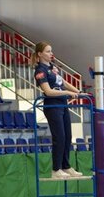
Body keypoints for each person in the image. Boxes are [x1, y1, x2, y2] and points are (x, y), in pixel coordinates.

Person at [31, 42, 83, 179]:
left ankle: (66, 166)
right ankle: (56, 169)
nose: (51, 53)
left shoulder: (52, 67)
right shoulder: (40, 70)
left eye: (51, 51)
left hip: (62, 104)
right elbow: (48, 91)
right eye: (48, 51)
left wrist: (78, 92)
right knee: (59, 137)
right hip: (52, 106)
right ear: (40, 54)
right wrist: (67, 92)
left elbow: (63, 82)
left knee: (67, 136)